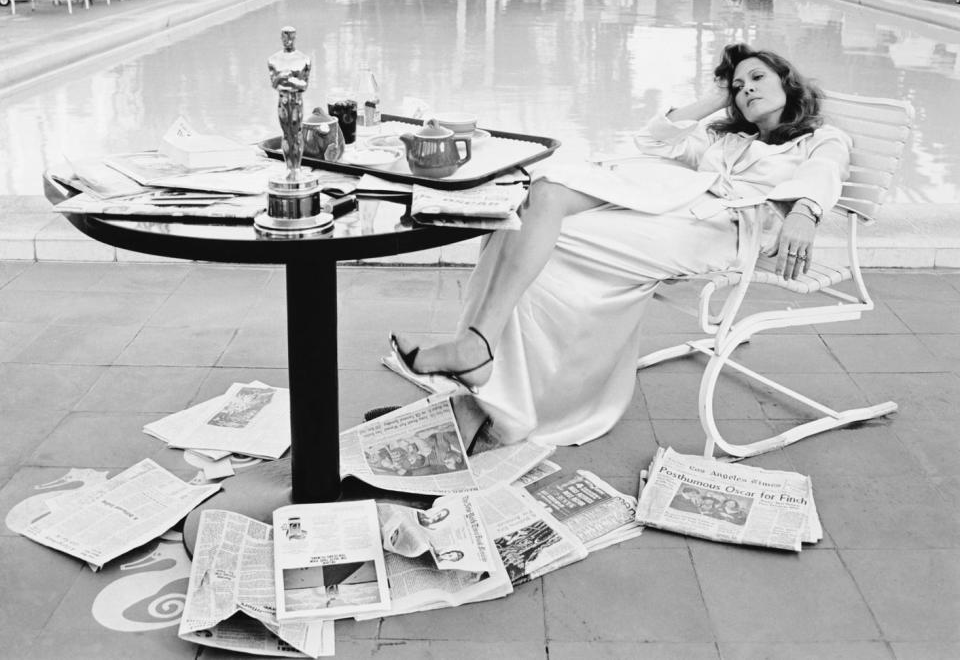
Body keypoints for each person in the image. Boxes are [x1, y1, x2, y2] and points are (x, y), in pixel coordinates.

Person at [392, 42, 851, 447]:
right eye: (737, 85)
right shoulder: (725, 138)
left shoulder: (819, 138)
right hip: (673, 213)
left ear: (788, 83)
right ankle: (478, 348)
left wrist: (805, 212)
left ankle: (497, 369)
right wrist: (713, 100)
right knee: (540, 203)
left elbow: (824, 172)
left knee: (544, 237)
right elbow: (651, 140)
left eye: (757, 78)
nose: (746, 89)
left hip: (722, 232)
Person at [267, 26, 312, 178]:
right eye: (285, 37)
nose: (288, 40)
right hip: (283, 100)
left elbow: (304, 85)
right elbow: (274, 84)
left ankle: (297, 168)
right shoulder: (273, 59)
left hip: (297, 101)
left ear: (295, 37)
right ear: (281, 38)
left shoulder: (304, 59)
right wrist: (287, 78)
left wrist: (285, 78)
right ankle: (289, 168)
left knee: (297, 133)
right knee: (286, 134)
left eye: (290, 37)